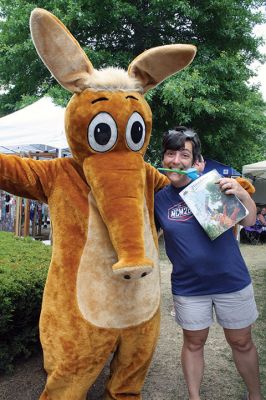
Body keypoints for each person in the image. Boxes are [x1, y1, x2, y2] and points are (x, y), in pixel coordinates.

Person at [155, 126, 262, 400]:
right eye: (170, 154)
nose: (176, 161)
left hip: (231, 281)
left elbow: (250, 221)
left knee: (241, 341)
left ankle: (255, 395)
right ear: (164, 158)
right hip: (188, 287)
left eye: (184, 154)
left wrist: (241, 192)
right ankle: (194, 397)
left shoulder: (214, 187)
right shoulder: (159, 200)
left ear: (195, 161)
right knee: (193, 343)